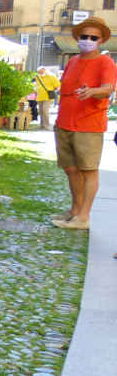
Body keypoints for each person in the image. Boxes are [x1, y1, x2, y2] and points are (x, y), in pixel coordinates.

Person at [52, 17, 115, 229]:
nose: (87, 40)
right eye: (83, 36)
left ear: (101, 40)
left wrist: (92, 91)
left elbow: (108, 88)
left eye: (93, 37)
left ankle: (84, 216)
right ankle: (76, 210)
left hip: (89, 124)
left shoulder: (105, 62)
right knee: (70, 169)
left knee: (88, 170)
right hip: (64, 123)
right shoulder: (72, 61)